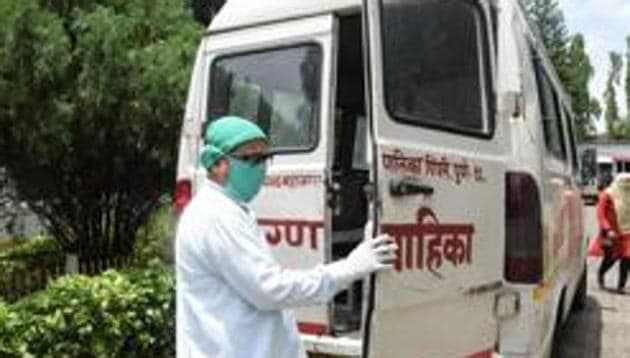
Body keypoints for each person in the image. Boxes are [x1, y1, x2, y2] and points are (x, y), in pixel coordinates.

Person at [175, 116, 398, 358]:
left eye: (265, 159)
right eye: (254, 159)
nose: (262, 169)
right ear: (218, 164)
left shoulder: (232, 210)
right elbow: (270, 289)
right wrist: (347, 269)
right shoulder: (215, 217)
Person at [596, 173, 630, 293]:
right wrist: (608, 229)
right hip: (611, 232)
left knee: (627, 258)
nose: (627, 185)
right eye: (625, 182)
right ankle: (601, 274)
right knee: (611, 258)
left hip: (627, 231)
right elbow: (601, 214)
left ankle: (621, 286)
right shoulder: (607, 194)